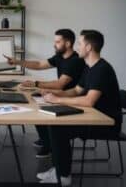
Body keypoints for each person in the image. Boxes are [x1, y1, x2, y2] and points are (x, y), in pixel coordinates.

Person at [36, 30, 122, 186]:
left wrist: (58, 100)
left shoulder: (102, 69)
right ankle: (59, 168)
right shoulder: (89, 67)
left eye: (80, 44)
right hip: (93, 116)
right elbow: (76, 90)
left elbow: (89, 101)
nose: (78, 47)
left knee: (58, 129)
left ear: (88, 47)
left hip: (106, 123)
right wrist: (54, 94)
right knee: (54, 124)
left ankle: (63, 175)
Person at [5, 29, 85, 158]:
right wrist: (17, 61)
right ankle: (46, 139)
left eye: (58, 42)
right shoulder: (60, 57)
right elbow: (39, 64)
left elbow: (60, 84)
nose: (54, 45)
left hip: (72, 100)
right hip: (62, 94)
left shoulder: (75, 61)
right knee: (35, 100)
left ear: (68, 43)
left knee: (40, 107)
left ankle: (49, 145)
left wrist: (35, 84)